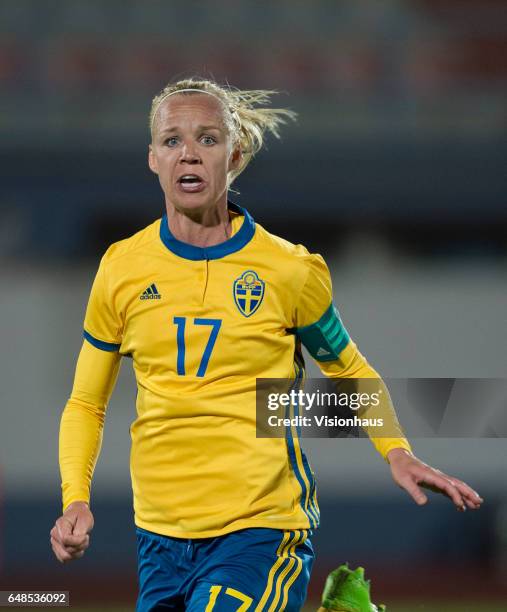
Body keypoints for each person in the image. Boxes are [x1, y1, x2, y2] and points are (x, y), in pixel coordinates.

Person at [50, 78, 483, 611]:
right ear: (152, 159)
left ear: (233, 156)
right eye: (172, 140)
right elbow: (87, 402)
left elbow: (347, 368)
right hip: (159, 539)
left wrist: (397, 451)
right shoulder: (121, 269)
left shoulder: (287, 270)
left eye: (207, 139)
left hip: (262, 530)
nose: (189, 153)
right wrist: (76, 499)